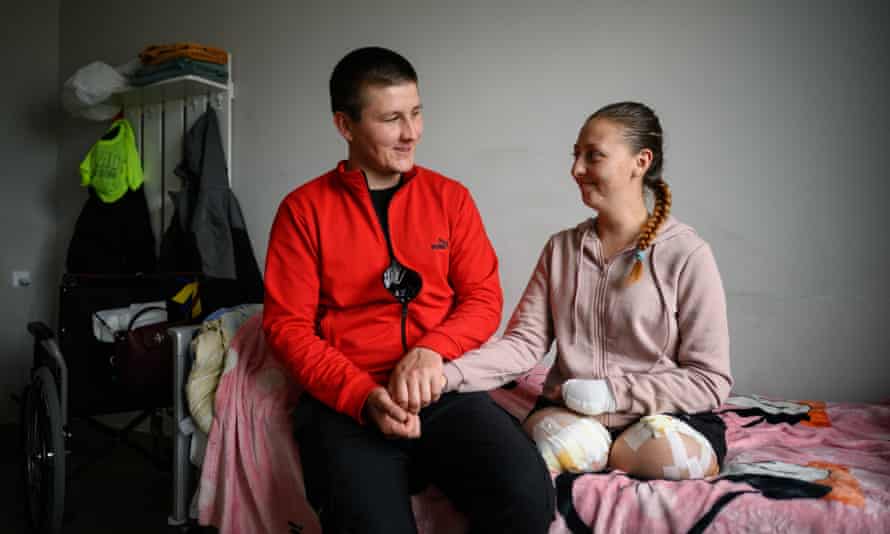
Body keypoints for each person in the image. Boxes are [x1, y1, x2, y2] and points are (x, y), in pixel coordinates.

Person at [263, 47, 554, 534]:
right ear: (345, 125)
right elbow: (286, 327)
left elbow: (483, 300)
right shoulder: (302, 210)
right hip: (348, 401)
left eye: (416, 113)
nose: (412, 133)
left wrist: (430, 352)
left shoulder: (451, 199)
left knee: (527, 499)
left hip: (442, 390)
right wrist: (360, 393)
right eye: (392, 119)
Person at [441, 102, 733, 480]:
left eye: (593, 156)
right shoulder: (561, 249)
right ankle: (605, 452)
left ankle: (617, 453)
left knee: (672, 458)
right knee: (568, 449)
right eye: (576, 156)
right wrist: (447, 376)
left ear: (640, 161)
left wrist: (612, 395)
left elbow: (710, 380)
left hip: (663, 415)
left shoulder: (688, 254)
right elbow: (524, 344)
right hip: (569, 414)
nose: (576, 170)